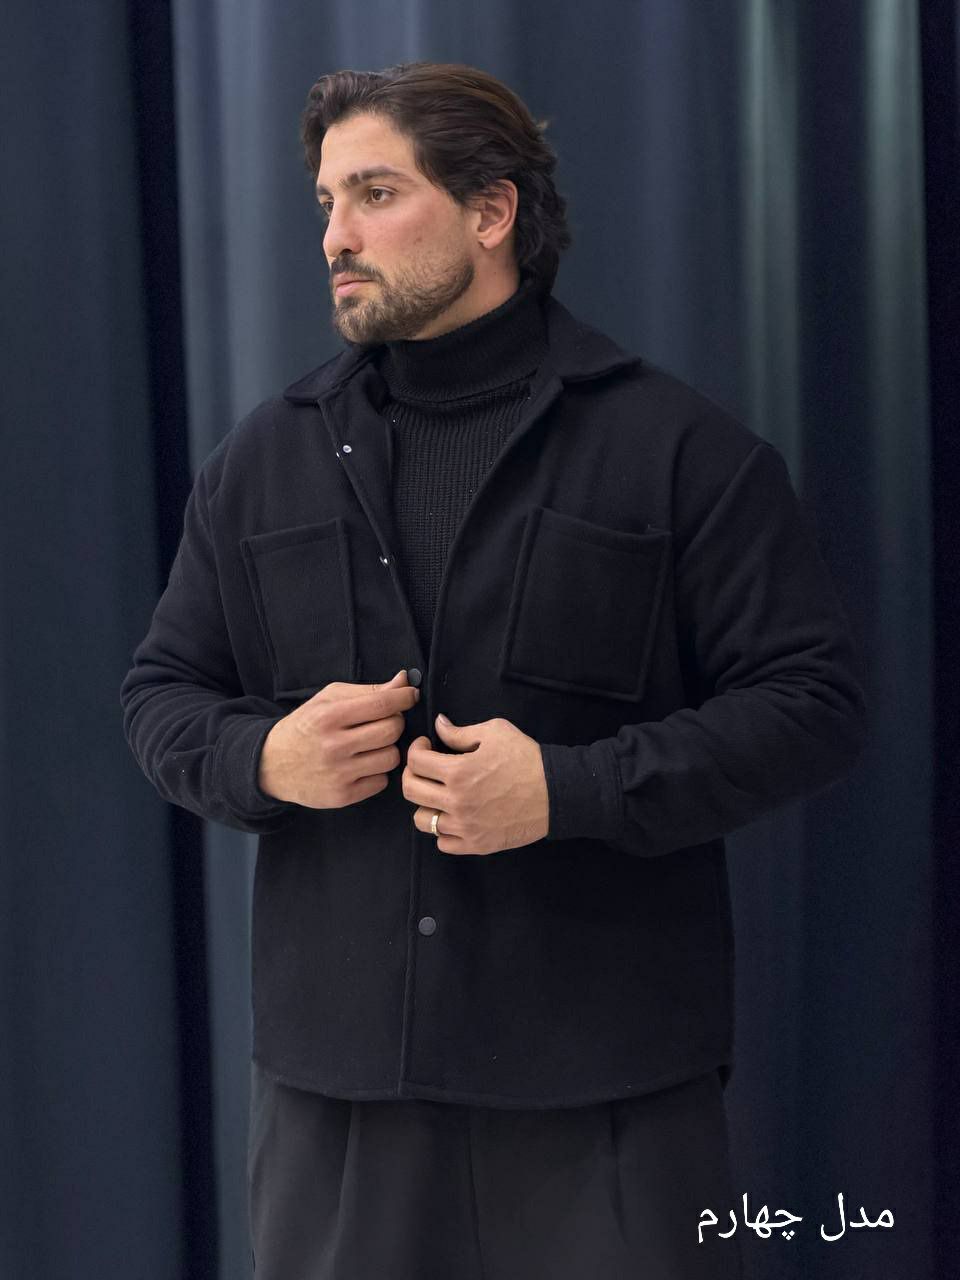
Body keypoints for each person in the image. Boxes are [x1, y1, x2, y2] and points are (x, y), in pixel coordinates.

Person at [120, 60, 866, 1280]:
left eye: (375, 194)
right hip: (336, 1106)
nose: (335, 236)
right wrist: (264, 756)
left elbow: (814, 704)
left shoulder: (682, 452)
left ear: (491, 210)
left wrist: (571, 789)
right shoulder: (260, 462)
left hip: (612, 1094)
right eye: (326, 202)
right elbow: (161, 693)